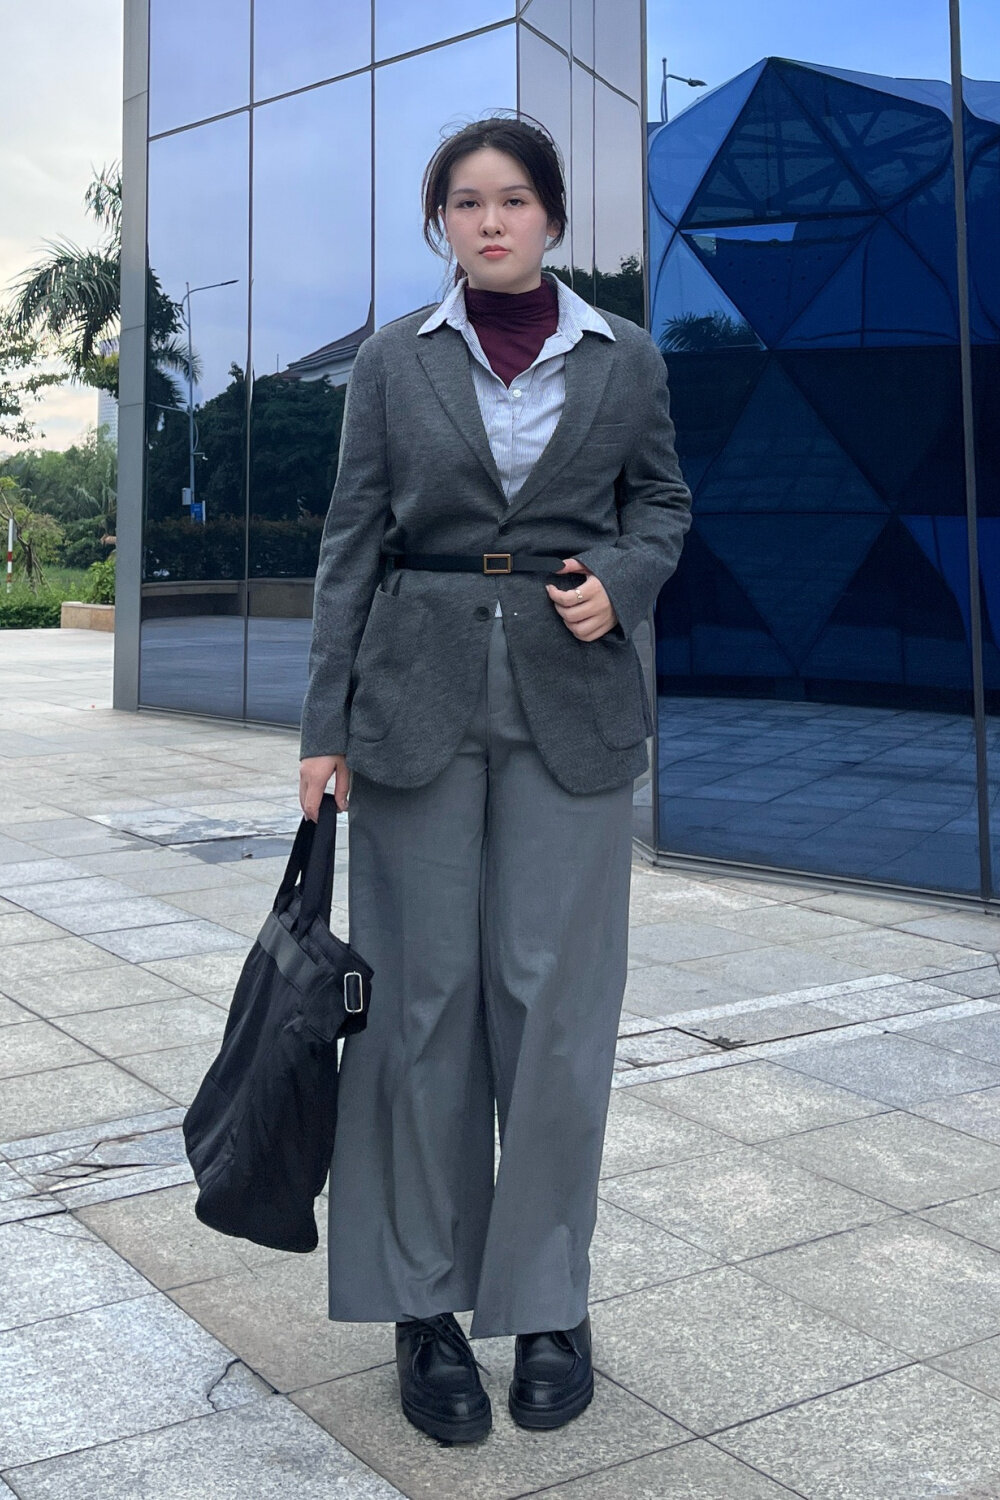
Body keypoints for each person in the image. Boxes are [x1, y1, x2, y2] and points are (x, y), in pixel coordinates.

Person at [297, 113, 692, 1445]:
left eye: (512, 199)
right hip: (413, 702)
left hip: (571, 704)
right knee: (420, 1006)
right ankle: (422, 1304)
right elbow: (352, 539)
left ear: (552, 218)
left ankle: (548, 1302)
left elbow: (663, 506)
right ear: (442, 225)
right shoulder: (390, 362)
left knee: (555, 1011)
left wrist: (621, 583)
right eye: (464, 202)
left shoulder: (624, 357)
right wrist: (322, 727)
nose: (489, 221)